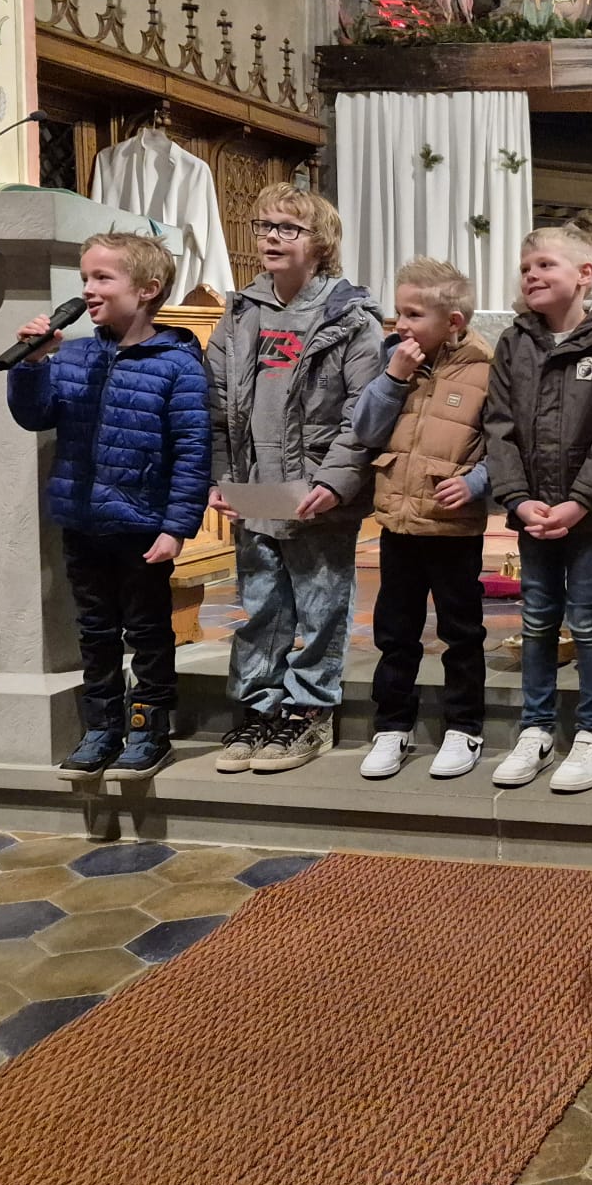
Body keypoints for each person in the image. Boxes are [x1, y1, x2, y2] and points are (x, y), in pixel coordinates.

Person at [8, 231, 210, 782]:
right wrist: (33, 365)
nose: (88, 290)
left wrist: (177, 526)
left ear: (147, 289)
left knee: (147, 630)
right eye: (85, 279)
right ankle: (101, 726)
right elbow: (34, 415)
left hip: (142, 525)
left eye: (102, 278)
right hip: (83, 519)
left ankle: (149, 727)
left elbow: (192, 452)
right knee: (95, 631)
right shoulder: (73, 354)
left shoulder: (177, 364)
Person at [206, 184, 384, 775]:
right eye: (264, 226)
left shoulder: (349, 318)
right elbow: (216, 405)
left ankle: (310, 711)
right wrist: (221, 478)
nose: (271, 237)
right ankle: (259, 707)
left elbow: (365, 413)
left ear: (320, 241)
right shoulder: (241, 313)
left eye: (289, 228)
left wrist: (334, 482)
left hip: (315, 489)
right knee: (261, 604)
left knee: (321, 605)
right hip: (255, 484)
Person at [483, 227, 592, 793]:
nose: (532, 274)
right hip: (533, 511)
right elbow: (497, 425)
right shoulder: (514, 342)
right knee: (536, 618)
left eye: (546, 264)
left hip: (587, 513)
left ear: (585, 275)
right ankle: (537, 728)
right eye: (526, 266)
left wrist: (580, 501)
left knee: (590, 618)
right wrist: (518, 499)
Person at [347, 258, 496, 782]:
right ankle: (392, 725)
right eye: (398, 312)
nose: (400, 324)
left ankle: (464, 727)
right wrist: (393, 377)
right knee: (395, 630)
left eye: (414, 314)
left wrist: (476, 483)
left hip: (452, 525)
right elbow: (366, 430)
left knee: (461, 630)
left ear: (452, 322)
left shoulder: (485, 367)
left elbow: (504, 444)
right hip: (398, 521)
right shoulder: (393, 361)